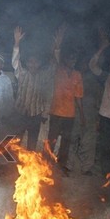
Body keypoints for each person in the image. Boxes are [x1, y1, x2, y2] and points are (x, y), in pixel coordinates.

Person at [47, 27, 84, 176]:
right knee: (52, 140)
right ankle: (47, 164)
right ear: (65, 59)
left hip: (70, 114)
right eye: (70, 58)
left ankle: (61, 166)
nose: (72, 61)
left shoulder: (77, 74)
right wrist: (58, 44)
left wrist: (82, 116)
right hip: (56, 112)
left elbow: (79, 97)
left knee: (66, 141)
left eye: (74, 59)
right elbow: (54, 57)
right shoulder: (58, 70)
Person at [12, 26, 55, 151]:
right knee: (16, 141)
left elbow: (53, 67)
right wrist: (16, 42)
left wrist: (55, 49)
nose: (33, 65)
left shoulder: (43, 76)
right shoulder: (22, 73)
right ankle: (13, 166)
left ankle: (29, 167)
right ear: (27, 63)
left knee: (32, 143)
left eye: (36, 62)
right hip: (20, 113)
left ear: (40, 64)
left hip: (36, 115)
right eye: (30, 62)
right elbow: (15, 61)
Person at [66, 54, 103, 175]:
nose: (83, 65)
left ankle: (86, 167)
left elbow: (99, 97)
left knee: (88, 141)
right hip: (74, 113)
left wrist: (97, 115)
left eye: (85, 63)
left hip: (90, 113)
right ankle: (68, 165)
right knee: (72, 139)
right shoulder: (73, 76)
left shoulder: (93, 79)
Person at [89, 34, 110, 175]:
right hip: (106, 117)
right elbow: (92, 65)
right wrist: (102, 48)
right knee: (105, 146)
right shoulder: (107, 77)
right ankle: (106, 172)